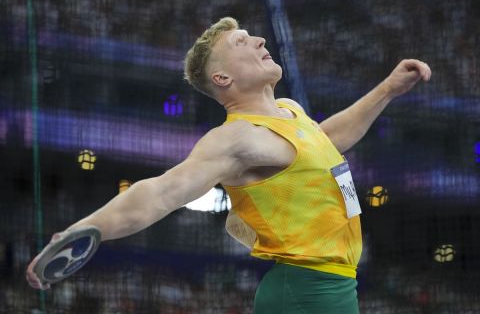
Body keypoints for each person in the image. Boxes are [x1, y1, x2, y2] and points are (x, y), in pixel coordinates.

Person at [26, 17, 431, 313]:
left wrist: (388, 89)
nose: (258, 39)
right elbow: (161, 191)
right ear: (221, 77)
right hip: (305, 293)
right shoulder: (235, 139)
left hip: (334, 287)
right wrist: (84, 229)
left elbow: (328, 139)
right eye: (242, 41)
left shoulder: (290, 112)